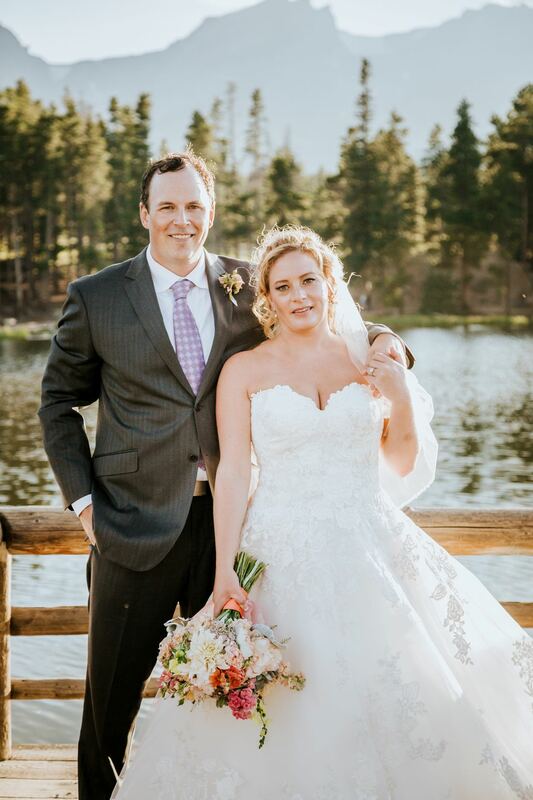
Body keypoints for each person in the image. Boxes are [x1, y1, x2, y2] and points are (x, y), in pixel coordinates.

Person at [113, 225, 533, 800]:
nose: (299, 296)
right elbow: (232, 472)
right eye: (283, 287)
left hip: (371, 544)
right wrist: (225, 571)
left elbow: (401, 461)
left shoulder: (369, 360)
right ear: (267, 297)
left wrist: (401, 397)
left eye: (309, 280)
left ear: (330, 283)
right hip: (279, 548)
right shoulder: (245, 370)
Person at [38, 151, 410, 800]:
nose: (181, 219)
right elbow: (57, 404)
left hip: (233, 530)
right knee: (110, 709)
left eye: (194, 206)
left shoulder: (246, 285)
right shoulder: (96, 297)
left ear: (210, 212)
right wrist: (86, 507)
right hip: (130, 525)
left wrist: (388, 341)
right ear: (144, 213)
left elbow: (323, 317)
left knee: (229, 699)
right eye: (168, 206)